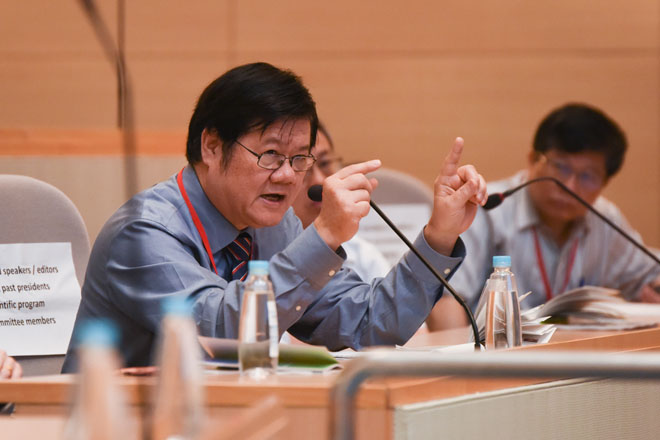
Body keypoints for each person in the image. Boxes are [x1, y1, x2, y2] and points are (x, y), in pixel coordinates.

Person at [62, 62, 487, 370]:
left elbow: (370, 322)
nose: (287, 176)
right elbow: (224, 335)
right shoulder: (143, 233)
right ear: (211, 146)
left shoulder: (275, 226)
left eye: (299, 158)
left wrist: (439, 236)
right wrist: (323, 236)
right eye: (269, 155)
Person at [427, 103, 660, 331]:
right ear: (532, 159)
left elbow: (649, 276)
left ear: (605, 182)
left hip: (582, 352)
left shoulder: (604, 219)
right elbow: (445, 298)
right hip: (500, 352)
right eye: (561, 168)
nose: (570, 186)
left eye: (587, 176)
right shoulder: (485, 208)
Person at [291, 121, 391, 280]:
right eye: (302, 166)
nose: (319, 180)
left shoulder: (363, 257)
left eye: (324, 163)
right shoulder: (260, 252)